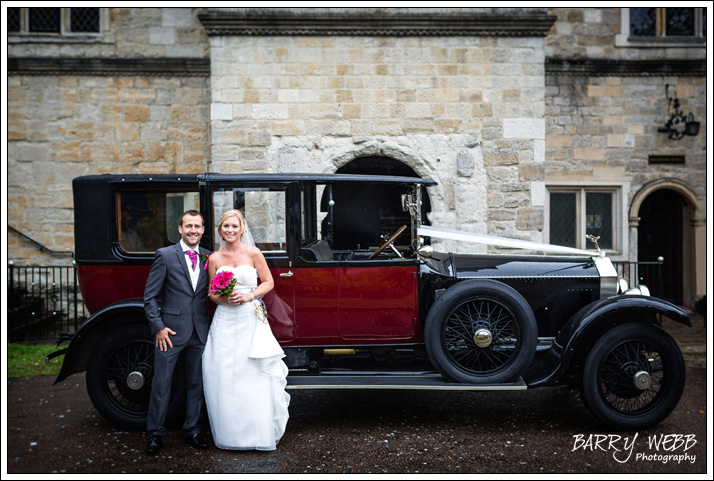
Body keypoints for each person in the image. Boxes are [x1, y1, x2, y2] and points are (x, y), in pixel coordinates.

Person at [202, 209, 290, 450]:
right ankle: (229, 434)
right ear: (220, 230)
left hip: (250, 318)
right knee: (223, 372)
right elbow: (212, 293)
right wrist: (224, 299)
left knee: (252, 371)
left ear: (241, 229)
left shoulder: (253, 253)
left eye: (234, 226)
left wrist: (250, 295)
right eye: (225, 227)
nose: (229, 230)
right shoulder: (214, 259)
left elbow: (268, 282)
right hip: (225, 320)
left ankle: (257, 433)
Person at [143, 210, 211, 455]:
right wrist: (158, 327)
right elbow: (150, 297)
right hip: (169, 333)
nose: (193, 230)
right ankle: (155, 434)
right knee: (161, 384)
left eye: (197, 226)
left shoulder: (208, 257)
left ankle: (192, 429)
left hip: (199, 331)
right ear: (180, 229)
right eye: (188, 226)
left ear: (203, 230)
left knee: (196, 383)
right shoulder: (165, 255)